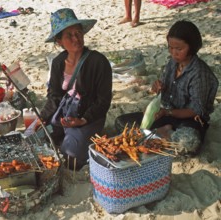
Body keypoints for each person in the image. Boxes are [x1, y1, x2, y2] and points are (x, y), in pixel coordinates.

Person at [116, 20, 219, 154]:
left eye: (179, 49)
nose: (173, 53)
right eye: (170, 48)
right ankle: (164, 131)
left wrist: (168, 112)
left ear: (192, 47)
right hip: (166, 114)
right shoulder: (172, 63)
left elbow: (196, 110)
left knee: (188, 143)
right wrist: (158, 87)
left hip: (189, 120)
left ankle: (164, 132)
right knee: (121, 123)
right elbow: (164, 88)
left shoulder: (199, 73)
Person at [37, 8, 112, 170]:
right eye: (69, 35)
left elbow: (103, 101)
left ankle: (77, 138)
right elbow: (54, 97)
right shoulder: (58, 63)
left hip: (89, 118)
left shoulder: (98, 62)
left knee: (71, 157)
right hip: (65, 115)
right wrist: (41, 118)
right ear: (59, 41)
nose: (76, 38)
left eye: (78, 32)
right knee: (36, 138)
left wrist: (83, 120)